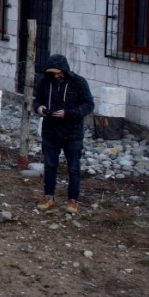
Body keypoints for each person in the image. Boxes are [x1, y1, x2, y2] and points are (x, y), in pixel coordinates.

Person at [33, 53, 94, 214]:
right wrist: (39, 108)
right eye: (53, 72)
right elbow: (36, 100)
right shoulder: (45, 82)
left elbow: (89, 105)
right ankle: (48, 196)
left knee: (74, 168)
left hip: (72, 133)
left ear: (65, 70)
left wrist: (68, 113)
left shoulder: (79, 82)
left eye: (58, 72)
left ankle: (73, 200)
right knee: (50, 165)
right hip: (50, 131)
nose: (56, 75)